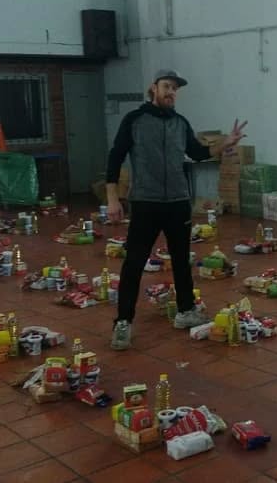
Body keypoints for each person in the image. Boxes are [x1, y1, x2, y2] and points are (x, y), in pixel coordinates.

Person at [105, 70, 247, 349]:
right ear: (154, 88)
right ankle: (123, 322)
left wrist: (225, 144)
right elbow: (115, 157)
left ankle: (185, 311)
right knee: (134, 262)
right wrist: (112, 199)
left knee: (182, 260)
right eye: (167, 86)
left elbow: (197, 153)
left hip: (178, 202)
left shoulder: (180, 123)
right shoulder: (134, 120)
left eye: (175, 88)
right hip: (146, 202)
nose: (171, 92)